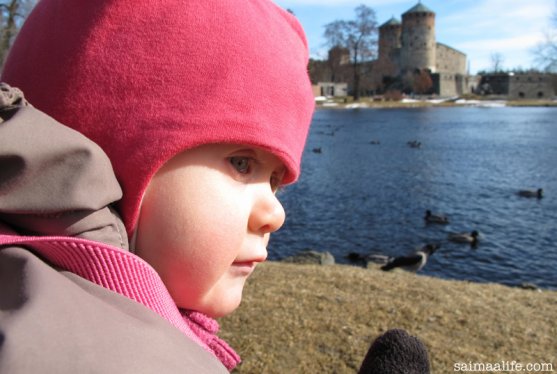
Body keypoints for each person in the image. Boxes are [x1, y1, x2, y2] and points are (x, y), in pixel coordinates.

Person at [0, 0, 314, 372]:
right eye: (242, 164)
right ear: (114, 157)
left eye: (275, 181)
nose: (275, 214)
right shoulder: (85, 350)